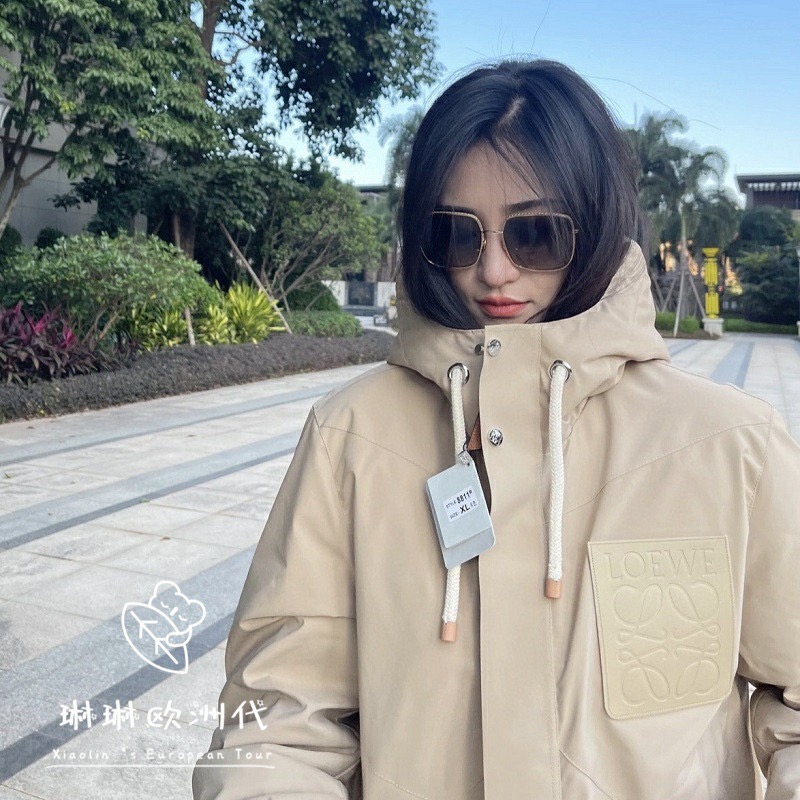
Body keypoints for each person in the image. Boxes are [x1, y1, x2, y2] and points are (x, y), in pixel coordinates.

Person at [192, 58, 800, 800]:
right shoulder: (350, 436)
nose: (494, 270)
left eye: (535, 233)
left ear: (597, 223)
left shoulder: (732, 446)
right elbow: (277, 723)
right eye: (456, 235)